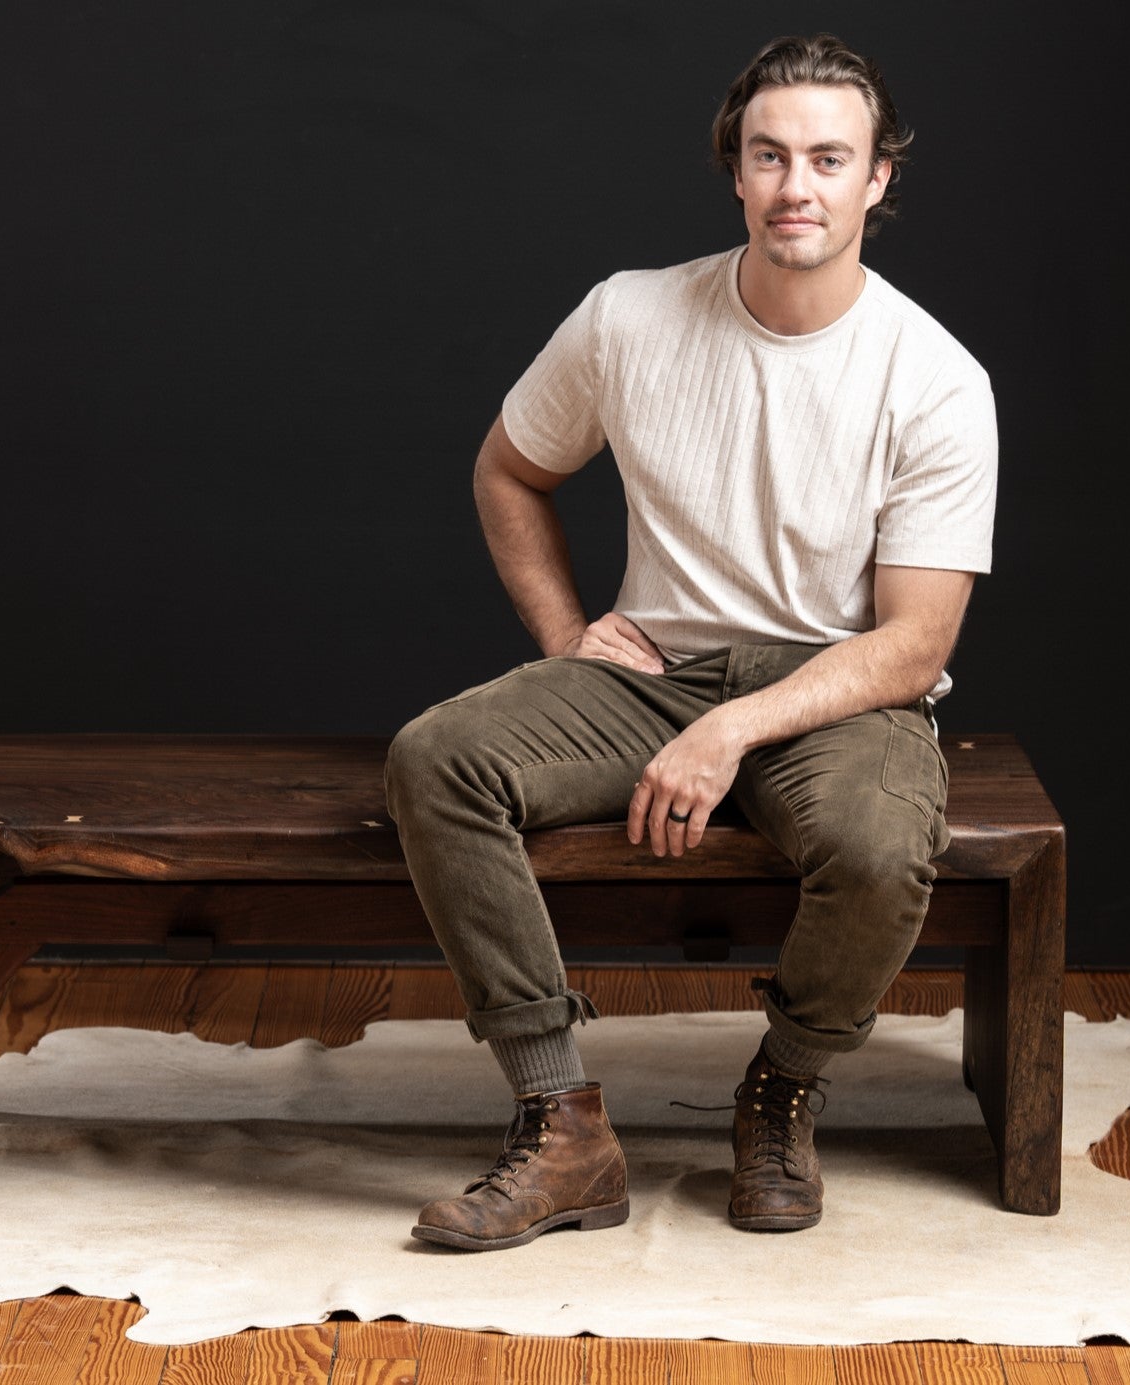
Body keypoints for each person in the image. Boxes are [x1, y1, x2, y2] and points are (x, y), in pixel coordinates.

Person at [383, 31, 998, 1250]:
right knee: (435, 758)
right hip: (651, 670)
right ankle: (560, 1119)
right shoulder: (629, 316)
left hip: (838, 689)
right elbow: (509, 469)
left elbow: (914, 641)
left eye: (829, 158)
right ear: (734, 170)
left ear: (878, 179)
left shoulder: (933, 377)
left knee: (880, 848)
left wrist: (730, 730)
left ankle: (781, 1090)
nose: (796, 187)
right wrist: (568, 635)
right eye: (770, 156)